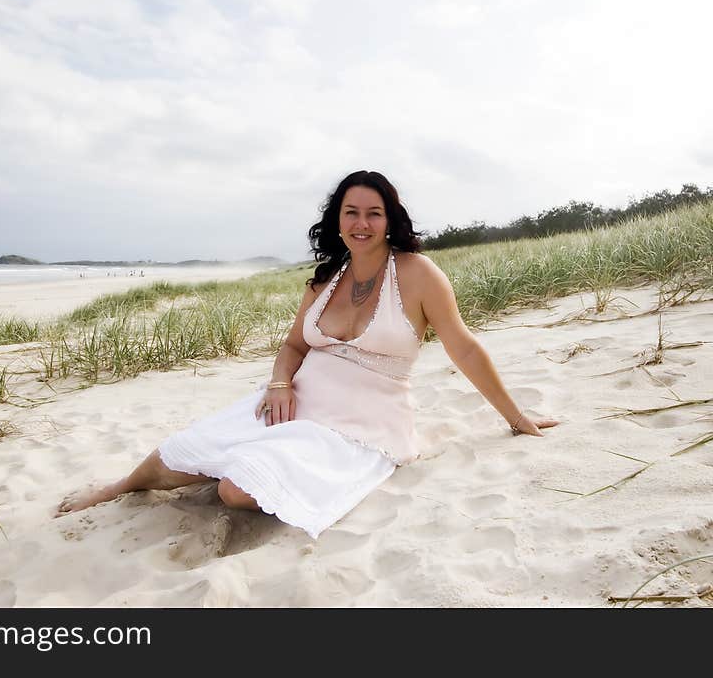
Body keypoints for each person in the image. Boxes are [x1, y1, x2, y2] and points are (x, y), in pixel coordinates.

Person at [56, 170, 558, 538]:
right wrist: (278, 383)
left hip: (361, 424)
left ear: (389, 220)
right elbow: (295, 345)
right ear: (337, 219)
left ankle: (249, 465)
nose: (361, 223)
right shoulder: (324, 279)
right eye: (351, 212)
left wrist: (515, 417)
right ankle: (120, 485)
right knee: (180, 450)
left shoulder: (418, 274)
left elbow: (464, 348)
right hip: (294, 401)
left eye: (373, 213)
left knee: (236, 488)